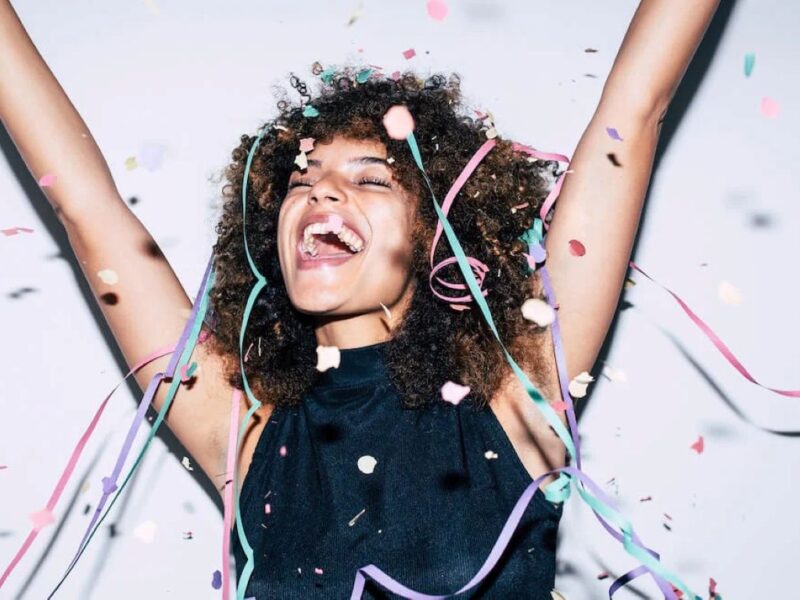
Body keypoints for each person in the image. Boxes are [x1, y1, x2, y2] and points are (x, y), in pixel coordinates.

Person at [0, 0, 720, 598]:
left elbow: (638, 104)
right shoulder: (243, 430)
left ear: (441, 238)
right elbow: (88, 211)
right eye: (301, 181)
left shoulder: (515, 394)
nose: (322, 190)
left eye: (371, 179)